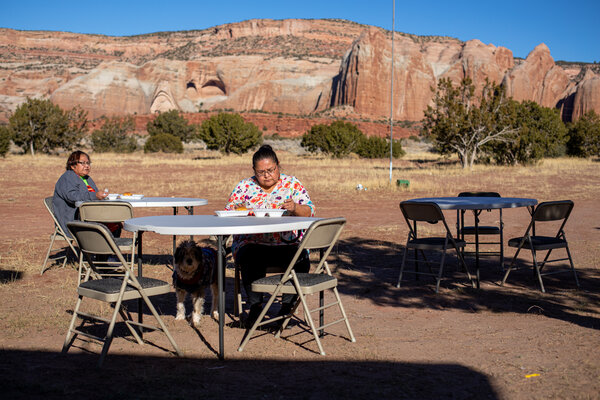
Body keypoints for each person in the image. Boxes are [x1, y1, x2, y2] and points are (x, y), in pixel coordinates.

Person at [225, 144, 315, 327]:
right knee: (250, 257)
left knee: (302, 260)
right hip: (253, 243)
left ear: (278, 165)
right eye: (261, 172)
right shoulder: (245, 186)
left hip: (286, 244)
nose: (266, 175)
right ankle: (255, 307)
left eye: (270, 170)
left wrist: (295, 208)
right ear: (254, 171)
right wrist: (239, 210)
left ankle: (286, 309)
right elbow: (228, 212)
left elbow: (310, 211)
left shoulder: (292, 184)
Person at [52, 150, 109, 237]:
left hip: (86, 217)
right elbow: (73, 197)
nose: (86, 166)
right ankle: (99, 248)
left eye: (88, 163)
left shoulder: (86, 178)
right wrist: (95, 196)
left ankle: (105, 248)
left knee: (115, 221)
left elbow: (93, 196)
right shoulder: (68, 178)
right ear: (72, 166)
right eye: (82, 163)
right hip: (71, 222)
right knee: (110, 223)